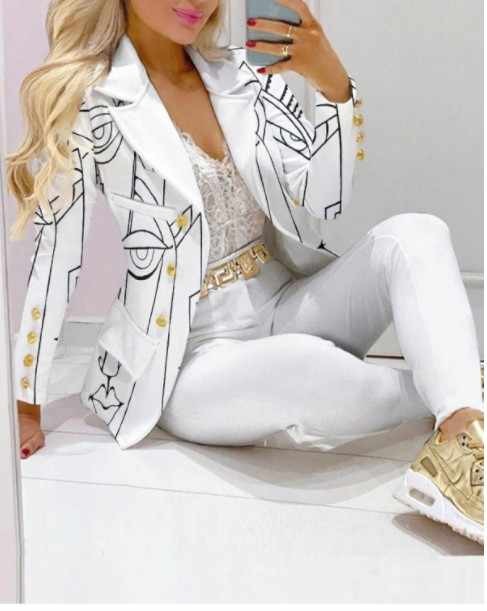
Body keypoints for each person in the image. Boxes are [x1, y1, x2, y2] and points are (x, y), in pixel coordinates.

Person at [7, 0, 483, 544]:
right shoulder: (91, 104)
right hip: (188, 360)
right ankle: (458, 386)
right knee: (304, 366)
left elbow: (324, 201)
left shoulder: (243, 75)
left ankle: (461, 430)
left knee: (416, 232)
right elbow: (57, 257)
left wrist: (332, 87)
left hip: (286, 302)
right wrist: (24, 401)